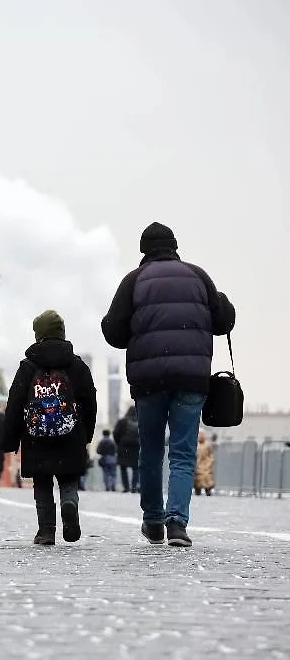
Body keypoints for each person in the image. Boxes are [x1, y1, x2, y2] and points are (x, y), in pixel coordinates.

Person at [101, 222, 235, 547]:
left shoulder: (134, 281)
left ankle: (152, 520)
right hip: (192, 377)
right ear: (175, 246)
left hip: (149, 382)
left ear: (144, 250)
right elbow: (223, 321)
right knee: (183, 452)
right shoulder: (198, 276)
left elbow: (113, 332)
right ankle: (177, 523)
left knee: (149, 452)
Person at [3, 310, 97, 545]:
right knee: (68, 478)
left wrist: (11, 439)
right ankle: (69, 503)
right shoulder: (76, 365)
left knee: (42, 483)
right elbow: (89, 400)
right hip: (70, 433)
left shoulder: (27, 367)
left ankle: (46, 530)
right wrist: (86, 432)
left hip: (36, 437)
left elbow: (15, 403)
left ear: (39, 335)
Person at [113, 406, 141, 493]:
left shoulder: (122, 421)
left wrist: (119, 443)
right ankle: (134, 486)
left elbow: (115, 433)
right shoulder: (140, 421)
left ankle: (126, 487)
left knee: (123, 467)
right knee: (136, 468)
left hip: (123, 446)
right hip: (136, 447)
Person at [194, 431, 215, 496]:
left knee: (207, 478)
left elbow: (211, 455)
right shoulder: (196, 445)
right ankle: (198, 490)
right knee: (198, 479)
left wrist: (209, 462)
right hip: (197, 465)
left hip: (205, 465)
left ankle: (208, 490)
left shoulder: (207, 445)